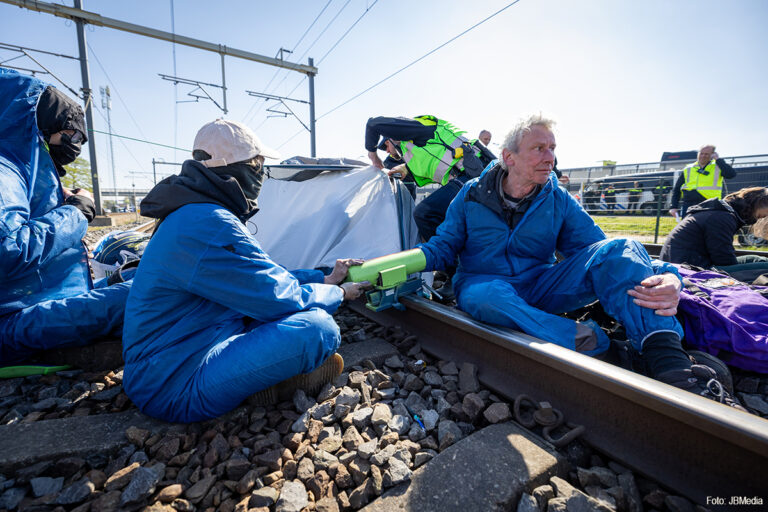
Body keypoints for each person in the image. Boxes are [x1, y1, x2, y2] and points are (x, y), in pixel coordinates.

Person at [413, 115, 741, 406]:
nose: (550, 157)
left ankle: (667, 360)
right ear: (508, 157)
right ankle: (600, 346)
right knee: (486, 298)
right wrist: (388, 265)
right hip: (486, 285)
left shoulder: (557, 197)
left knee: (621, 245)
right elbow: (442, 247)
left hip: (540, 287)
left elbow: (607, 253)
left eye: (552, 148)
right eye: (539, 148)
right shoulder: (469, 194)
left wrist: (670, 276)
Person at [122, 119, 368, 423]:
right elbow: (276, 296)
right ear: (236, 168)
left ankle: (260, 377)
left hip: (181, 353)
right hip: (174, 385)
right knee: (318, 329)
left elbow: (257, 277)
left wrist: (324, 277)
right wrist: (338, 293)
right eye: (258, 165)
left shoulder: (193, 212)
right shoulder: (208, 222)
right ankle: (262, 384)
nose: (261, 174)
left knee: (289, 319)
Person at [0, 68, 131, 365]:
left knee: (146, 276)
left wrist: (62, 202)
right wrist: (76, 212)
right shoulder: (4, 170)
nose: (73, 144)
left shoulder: (19, 167)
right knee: (157, 289)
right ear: (35, 123)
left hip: (31, 300)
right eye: (69, 133)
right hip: (11, 320)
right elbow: (7, 250)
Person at [364, 115, 495, 242]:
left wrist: (373, 156)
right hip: (468, 175)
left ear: (393, 137)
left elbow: (372, 124)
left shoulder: (415, 129)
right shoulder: (415, 152)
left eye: (386, 145)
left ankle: (445, 260)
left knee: (424, 214)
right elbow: (434, 162)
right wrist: (405, 169)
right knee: (448, 219)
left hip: (476, 171)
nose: (386, 151)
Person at [659, 187, 768, 270]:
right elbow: (723, 259)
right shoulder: (722, 217)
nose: (758, 220)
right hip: (690, 269)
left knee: (757, 260)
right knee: (764, 267)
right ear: (756, 205)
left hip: (688, 263)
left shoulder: (721, 212)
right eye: (760, 216)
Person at [670, 145, 736, 218]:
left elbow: (731, 174)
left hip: (710, 204)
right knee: (688, 228)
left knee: (706, 228)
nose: (703, 156)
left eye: (706, 154)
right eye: (701, 153)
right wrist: (673, 206)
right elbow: (677, 189)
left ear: (713, 154)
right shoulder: (688, 168)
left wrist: (718, 159)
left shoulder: (718, 166)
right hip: (689, 204)